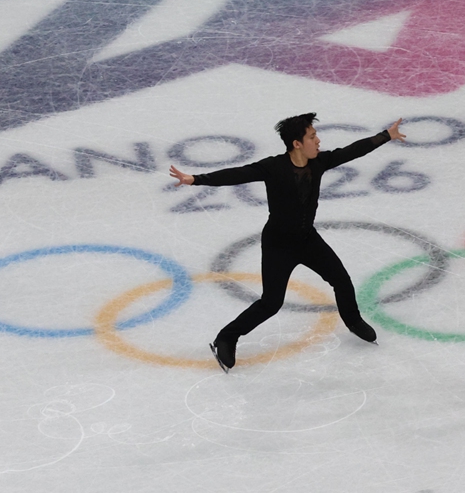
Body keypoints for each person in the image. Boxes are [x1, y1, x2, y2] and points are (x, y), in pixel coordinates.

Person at [169, 113, 407, 372]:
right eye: (312, 136)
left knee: (341, 279)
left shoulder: (320, 162)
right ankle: (226, 337)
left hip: (307, 239)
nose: (318, 141)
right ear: (297, 143)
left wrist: (387, 136)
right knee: (271, 303)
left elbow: (352, 151)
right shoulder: (274, 167)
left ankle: (353, 321)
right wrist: (196, 179)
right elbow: (237, 174)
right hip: (278, 244)